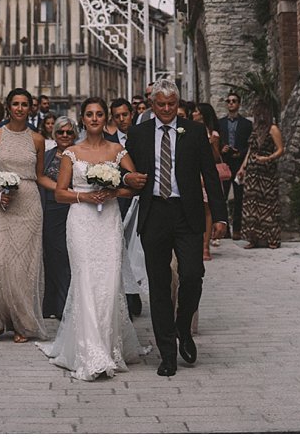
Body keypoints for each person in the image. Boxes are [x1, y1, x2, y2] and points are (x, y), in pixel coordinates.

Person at [37, 97, 148, 381]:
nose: (95, 118)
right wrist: (84, 196)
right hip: (81, 222)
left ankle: (109, 348)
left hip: (108, 222)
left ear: (106, 118)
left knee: (109, 283)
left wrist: (115, 190)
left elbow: (135, 184)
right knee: (86, 281)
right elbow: (60, 192)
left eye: (100, 114)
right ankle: (90, 353)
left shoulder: (117, 150)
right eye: (89, 114)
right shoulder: (71, 153)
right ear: (82, 120)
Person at [125, 78, 227, 377]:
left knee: (193, 274)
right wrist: (127, 179)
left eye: (172, 104)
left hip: (187, 213)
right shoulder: (140, 133)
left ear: (178, 104)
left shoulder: (194, 131)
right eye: (161, 104)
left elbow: (209, 175)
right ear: (152, 105)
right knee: (158, 286)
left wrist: (220, 216)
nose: (167, 109)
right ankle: (167, 353)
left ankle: (183, 325)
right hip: (154, 212)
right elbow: (125, 168)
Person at [0, 88, 52, 344]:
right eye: (15, 104)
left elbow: (41, 175)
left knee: (24, 268)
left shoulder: (37, 139)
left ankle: (23, 323)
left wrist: (66, 190)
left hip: (29, 205)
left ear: (31, 108)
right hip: (0, 204)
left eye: (25, 104)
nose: (20, 108)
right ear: (8, 107)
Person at [110, 97, 145, 320]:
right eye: (117, 116)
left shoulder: (142, 136)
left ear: (131, 114)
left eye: (125, 114)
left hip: (140, 200)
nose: (122, 119)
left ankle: (136, 292)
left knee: (137, 249)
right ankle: (126, 296)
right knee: (118, 247)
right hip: (118, 200)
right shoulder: (108, 141)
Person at [40, 116, 77, 319]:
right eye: (60, 132)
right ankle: (50, 304)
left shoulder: (79, 156)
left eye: (69, 132)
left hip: (72, 209)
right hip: (49, 210)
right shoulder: (46, 155)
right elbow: (38, 177)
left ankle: (64, 305)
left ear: (75, 135)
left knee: (65, 256)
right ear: (54, 134)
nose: (64, 135)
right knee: (51, 256)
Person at [235, 111, 285, 249]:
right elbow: (251, 150)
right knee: (251, 205)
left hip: (266, 172)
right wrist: (242, 168)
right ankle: (253, 238)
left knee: (268, 204)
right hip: (252, 172)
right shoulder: (255, 130)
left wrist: (268, 158)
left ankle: (272, 238)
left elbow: (281, 149)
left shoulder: (273, 129)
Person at [191, 102, 224, 260]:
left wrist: (212, 145)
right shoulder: (189, 130)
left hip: (206, 172)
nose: (194, 114)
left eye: (196, 111)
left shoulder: (213, 134)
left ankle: (205, 246)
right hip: (193, 172)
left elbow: (216, 158)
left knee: (207, 209)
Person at [218, 93, 253, 240]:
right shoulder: (220, 124)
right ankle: (225, 229)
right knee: (222, 196)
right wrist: (222, 149)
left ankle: (237, 228)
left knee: (240, 197)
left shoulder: (246, 124)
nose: (231, 103)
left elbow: (251, 144)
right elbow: (216, 144)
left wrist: (242, 153)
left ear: (239, 104)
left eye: (234, 101)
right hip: (225, 163)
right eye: (229, 101)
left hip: (240, 163)